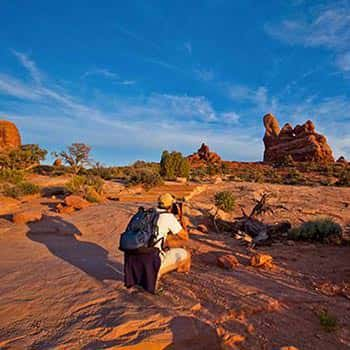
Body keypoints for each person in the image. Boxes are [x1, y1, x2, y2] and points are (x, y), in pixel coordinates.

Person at [123, 193, 191, 293]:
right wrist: (181, 218)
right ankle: (156, 273)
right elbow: (185, 237)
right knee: (186, 254)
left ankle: (140, 274)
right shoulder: (168, 217)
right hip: (150, 259)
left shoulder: (148, 213)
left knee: (164, 241)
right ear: (171, 205)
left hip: (132, 260)